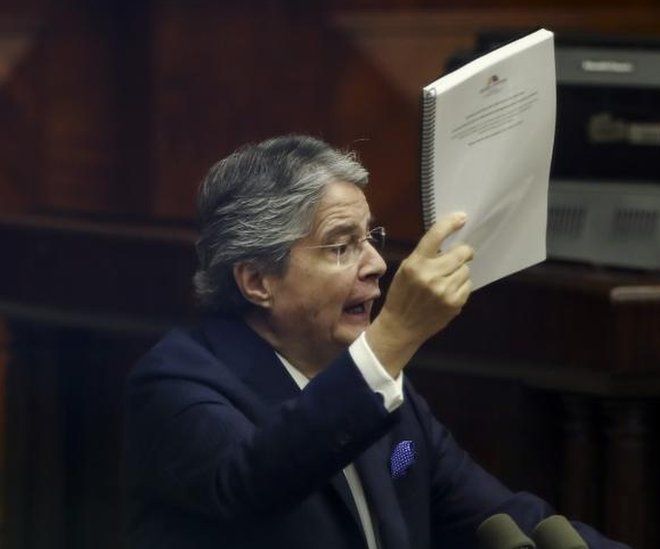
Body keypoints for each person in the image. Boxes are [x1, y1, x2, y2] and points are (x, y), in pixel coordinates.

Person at [124, 135, 627, 548]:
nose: (377, 265)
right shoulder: (177, 386)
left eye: (370, 239)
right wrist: (395, 335)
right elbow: (257, 480)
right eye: (342, 246)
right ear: (258, 281)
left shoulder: (389, 399)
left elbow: (505, 517)